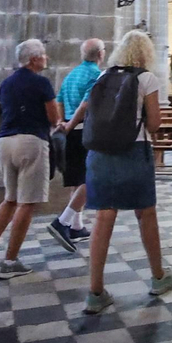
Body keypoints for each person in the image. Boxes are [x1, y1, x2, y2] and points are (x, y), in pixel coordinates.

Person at [64, 30, 172, 313]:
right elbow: (154, 124)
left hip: (100, 153)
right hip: (133, 151)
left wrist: (68, 127)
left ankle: (95, 292)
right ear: (145, 53)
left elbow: (86, 107)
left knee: (104, 216)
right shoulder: (146, 78)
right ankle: (158, 277)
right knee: (146, 213)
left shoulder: (103, 77)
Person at [0, 39, 61, 278]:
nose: (46, 58)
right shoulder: (41, 82)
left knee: (10, 199)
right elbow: (53, 117)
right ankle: (10, 260)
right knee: (27, 202)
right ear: (34, 59)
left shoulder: (6, 83)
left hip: (4, 141)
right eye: (43, 55)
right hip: (30, 141)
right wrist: (59, 123)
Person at [46, 38, 103, 251]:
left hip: (70, 132)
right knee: (90, 178)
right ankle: (63, 221)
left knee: (77, 179)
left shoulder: (72, 74)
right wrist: (70, 124)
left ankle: (76, 226)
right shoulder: (95, 75)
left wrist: (62, 122)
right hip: (83, 130)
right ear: (101, 54)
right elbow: (86, 104)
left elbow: (59, 99)